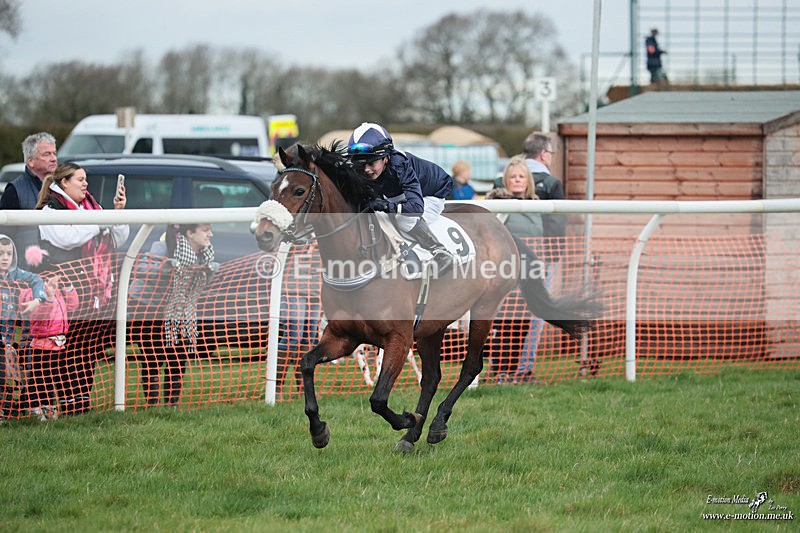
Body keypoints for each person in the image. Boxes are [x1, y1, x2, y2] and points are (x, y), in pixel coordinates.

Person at [36, 162, 129, 415]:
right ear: (64, 182)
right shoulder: (50, 210)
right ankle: (58, 406)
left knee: (88, 352)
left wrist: (117, 213)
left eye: (86, 179)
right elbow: (67, 239)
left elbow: (118, 239)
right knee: (61, 354)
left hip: (95, 295)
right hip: (64, 297)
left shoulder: (92, 207)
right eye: (79, 179)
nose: (85, 183)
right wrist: (100, 221)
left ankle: (80, 406)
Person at [346, 122, 454, 274]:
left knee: (404, 219)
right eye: (360, 165)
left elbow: (416, 208)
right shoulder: (365, 168)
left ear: (385, 158)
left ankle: (441, 252)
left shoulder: (400, 165)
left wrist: (384, 206)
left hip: (431, 194)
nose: (366, 170)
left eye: (371, 163)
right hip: (401, 195)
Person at [136, 224, 217, 406]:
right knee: (153, 359)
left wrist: (210, 273)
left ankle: (172, 405)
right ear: (190, 233)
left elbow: (201, 284)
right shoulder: (164, 245)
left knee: (178, 359)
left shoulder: (206, 253)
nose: (210, 234)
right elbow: (141, 269)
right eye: (206, 230)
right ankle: (153, 406)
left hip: (181, 311)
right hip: (150, 308)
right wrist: (164, 269)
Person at [485, 157, 543, 384]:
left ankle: (513, 372)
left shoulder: (536, 205)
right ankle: (499, 371)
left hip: (529, 274)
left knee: (521, 325)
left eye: (521, 177)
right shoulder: (501, 206)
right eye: (513, 177)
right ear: (505, 181)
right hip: (505, 274)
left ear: (527, 180)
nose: (517, 181)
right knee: (504, 326)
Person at [19, 270, 79, 421]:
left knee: (52, 377)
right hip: (42, 345)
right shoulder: (35, 295)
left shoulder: (59, 295)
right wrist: (49, 299)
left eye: (56, 283)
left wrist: (69, 287)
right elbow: (39, 314)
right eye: (51, 283)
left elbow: (73, 305)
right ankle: (34, 406)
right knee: (39, 378)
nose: (54, 285)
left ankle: (47, 404)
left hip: (57, 344)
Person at [0, 234, 47, 421]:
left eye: (8, 254)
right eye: (1, 253)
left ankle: (7, 409)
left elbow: (36, 280)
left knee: (5, 375)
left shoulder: (15, 274)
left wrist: (37, 300)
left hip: (8, 337)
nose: (5, 257)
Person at [0, 132, 58, 269]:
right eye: (47, 154)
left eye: (54, 153)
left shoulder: (62, 188)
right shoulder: (14, 190)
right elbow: (4, 237)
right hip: (25, 275)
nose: (54, 159)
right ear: (30, 161)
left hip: (58, 274)